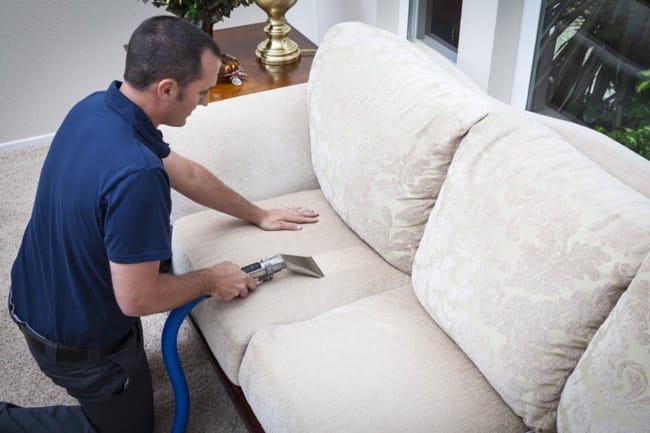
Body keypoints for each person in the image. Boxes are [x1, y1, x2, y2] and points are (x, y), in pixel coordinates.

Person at [1, 15, 318, 433]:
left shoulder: (95, 107)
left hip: (31, 294)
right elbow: (137, 299)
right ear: (167, 88)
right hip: (75, 344)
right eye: (202, 92)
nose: (205, 102)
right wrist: (211, 279)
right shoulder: (138, 176)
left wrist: (258, 214)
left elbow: (189, 174)